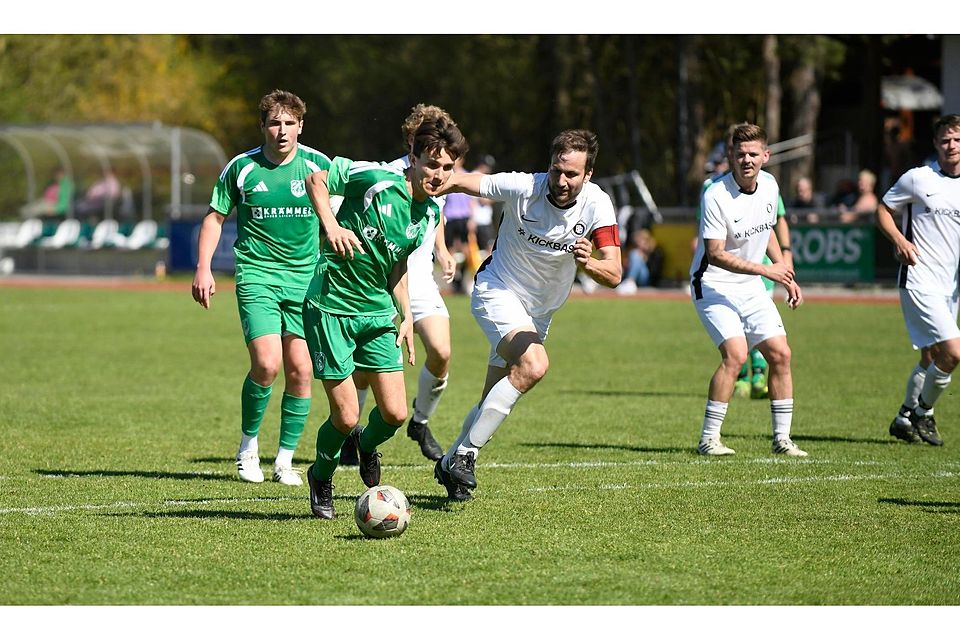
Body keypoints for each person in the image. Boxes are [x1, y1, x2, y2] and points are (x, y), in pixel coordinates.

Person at [434, 129, 622, 501]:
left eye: (572, 174)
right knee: (534, 365)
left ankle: (449, 463)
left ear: (588, 175)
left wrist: (590, 265)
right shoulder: (524, 187)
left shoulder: (598, 205)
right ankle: (467, 456)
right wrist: (431, 179)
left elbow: (614, 274)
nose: (562, 181)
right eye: (557, 171)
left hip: (538, 313)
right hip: (496, 291)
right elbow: (466, 182)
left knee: (492, 397)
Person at [302, 117, 469, 520]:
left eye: (447, 168)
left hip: (377, 312)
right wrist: (332, 225)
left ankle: (367, 445)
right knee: (346, 416)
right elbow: (316, 180)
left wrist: (406, 315)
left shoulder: (429, 213)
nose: (438, 175)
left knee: (394, 414)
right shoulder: (376, 177)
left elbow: (396, 264)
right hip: (330, 306)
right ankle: (320, 475)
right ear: (412, 157)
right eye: (431, 164)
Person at [192, 89, 331, 486]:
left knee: (302, 371)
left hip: (307, 281)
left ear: (301, 126)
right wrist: (204, 268)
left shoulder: (320, 166)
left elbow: (347, 210)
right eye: (275, 123)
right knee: (267, 364)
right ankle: (247, 447)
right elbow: (214, 218)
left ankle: (285, 460)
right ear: (263, 126)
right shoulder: (243, 167)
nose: (282, 131)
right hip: (258, 276)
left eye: (290, 123)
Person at [343, 104, 460, 466]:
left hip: (419, 280)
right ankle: (352, 434)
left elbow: (433, 212)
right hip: (380, 280)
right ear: (412, 139)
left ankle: (420, 422)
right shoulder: (388, 173)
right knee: (365, 367)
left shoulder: (438, 169)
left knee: (440, 352)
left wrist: (441, 250)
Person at [689, 123, 807, 457]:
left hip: (751, 285)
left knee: (781, 355)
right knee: (737, 355)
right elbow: (716, 254)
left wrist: (783, 271)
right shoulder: (715, 194)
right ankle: (709, 439)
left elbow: (766, 227)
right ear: (731, 157)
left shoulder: (770, 185)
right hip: (712, 284)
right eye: (740, 154)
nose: (746, 160)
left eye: (753, 154)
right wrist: (767, 270)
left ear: (766, 156)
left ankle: (782, 440)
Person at [876, 113, 960, 447]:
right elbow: (883, 209)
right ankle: (923, 412)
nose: (951, 145)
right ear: (936, 144)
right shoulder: (919, 178)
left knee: (931, 356)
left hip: (950, 286)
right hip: (918, 278)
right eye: (945, 140)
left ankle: (903, 417)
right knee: (952, 352)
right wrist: (899, 240)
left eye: (956, 139)